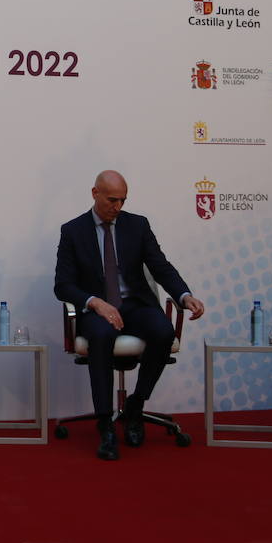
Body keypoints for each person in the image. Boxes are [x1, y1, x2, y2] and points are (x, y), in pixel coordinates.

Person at [54, 170, 204, 461]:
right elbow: (63, 284)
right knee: (100, 335)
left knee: (162, 332)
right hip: (98, 308)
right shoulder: (73, 231)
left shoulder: (137, 225)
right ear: (95, 193)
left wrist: (185, 296)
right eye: (112, 200)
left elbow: (161, 266)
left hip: (134, 304)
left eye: (123, 200)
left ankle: (136, 405)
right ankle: (104, 423)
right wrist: (95, 303)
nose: (118, 207)